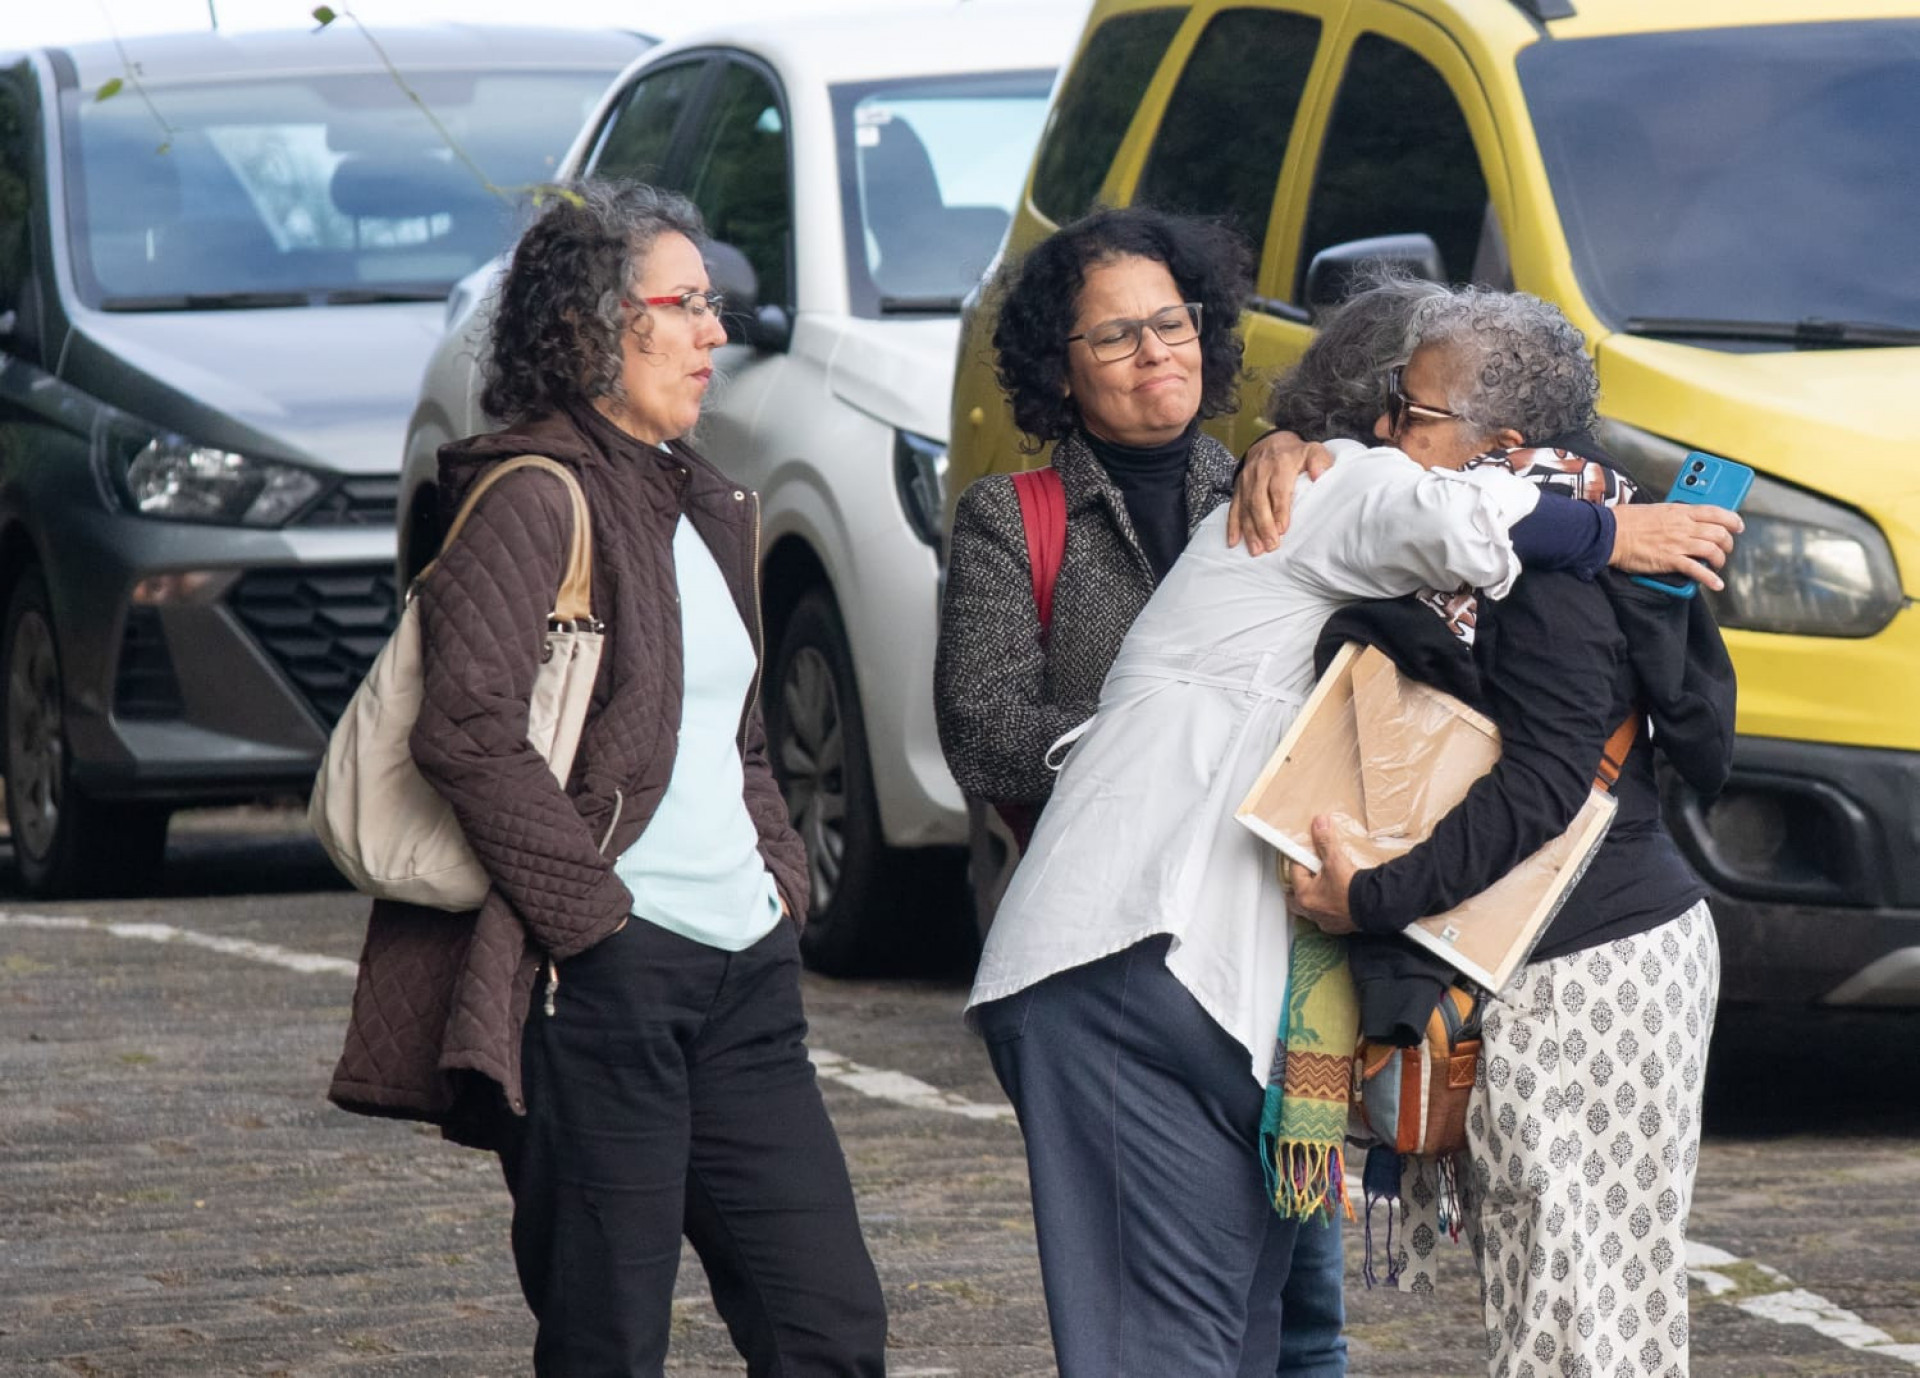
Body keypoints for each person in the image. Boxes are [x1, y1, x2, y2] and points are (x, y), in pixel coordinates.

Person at [327, 180, 887, 1376]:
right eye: (686, 306)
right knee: (607, 1342)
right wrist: (595, 924)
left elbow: (736, 735)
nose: (715, 333)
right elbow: (465, 730)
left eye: (713, 305)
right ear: (593, 325)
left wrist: (777, 879)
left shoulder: (705, 501)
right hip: (602, 987)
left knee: (829, 1327)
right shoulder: (532, 495)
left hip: (745, 979)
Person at [935, 205, 1351, 1378]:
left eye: (1171, 322)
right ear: (1058, 369)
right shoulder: (1014, 519)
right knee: (1171, 1313)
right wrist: (1170, 747)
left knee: (1302, 1311)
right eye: (1114, 336)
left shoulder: (1279, 486)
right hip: (1126, 949)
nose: (1154, 352)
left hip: (1285, 949)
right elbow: (984, 731)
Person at [1288, 288, 1735, 1378]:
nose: (1386, 430)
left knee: (1576, 1329)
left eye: (1412, 410)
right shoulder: (1562, 528)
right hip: (1595, 962)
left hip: (1586, 977)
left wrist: (1374, 896)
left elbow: (1545, 787)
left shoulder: (1543, 574)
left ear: (1506, 442)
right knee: (1587, 1318)